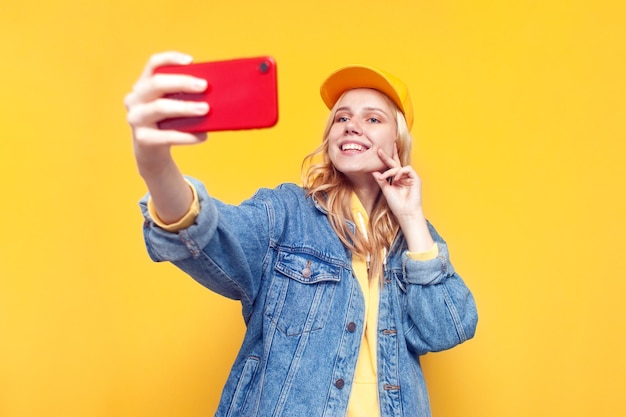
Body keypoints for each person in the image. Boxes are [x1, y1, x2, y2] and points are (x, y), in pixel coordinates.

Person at [124, 51, 478, 417]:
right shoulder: (287, 213)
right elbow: (210, 236)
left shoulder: (415, 240)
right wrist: (156, 165)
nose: (352, 125)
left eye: (372, 118)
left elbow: (446, 329)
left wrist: (411, 216)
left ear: (397, 145)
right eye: (342, 117)